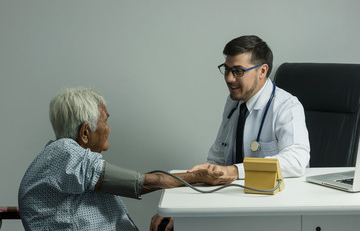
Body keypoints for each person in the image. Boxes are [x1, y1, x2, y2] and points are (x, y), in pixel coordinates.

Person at [150, 35, 310, 230]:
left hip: (273, 211)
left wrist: (235, 171)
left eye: (238, 71)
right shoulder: (234, 102)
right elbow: (217, 157)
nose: (229, 78)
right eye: (227, 69)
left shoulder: (287, 107)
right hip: (233, 202)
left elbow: (297, 160)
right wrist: (181, 209)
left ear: (262, 70)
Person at [18, 87, 235, 231]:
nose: (109, 129)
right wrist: (197, 176)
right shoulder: (65, 152)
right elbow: (139, 184)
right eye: (106, 122)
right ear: (85, 132)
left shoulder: (57, 157)